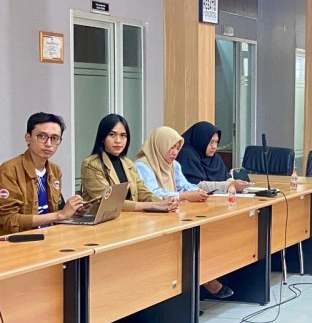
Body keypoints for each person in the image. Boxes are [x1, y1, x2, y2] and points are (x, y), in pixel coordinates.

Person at [135, 126, 233, 299]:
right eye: (171, 147)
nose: (175, 152)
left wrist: (198, 192)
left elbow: (185, 186)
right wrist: (184, 196)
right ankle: (199, 285)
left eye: (177, 148)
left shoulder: (174, 165)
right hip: (151, 219)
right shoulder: (142, 166)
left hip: (172, 214)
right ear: (159, 145)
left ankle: (201, 281)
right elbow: (153, 194)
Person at [0, 112, 85, 235]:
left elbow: (57, 211)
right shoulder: (9, 170)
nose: (48, 144)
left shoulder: (55, 170)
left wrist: (72, 212)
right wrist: (60, 215)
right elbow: (8, 219)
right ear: (28, 137)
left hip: (50, 236)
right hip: (20, 240)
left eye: (54, 138)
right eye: (42, 136)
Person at [81, 114, 178, 213]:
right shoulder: (91, 165)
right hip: (101, 221)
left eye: (123, 135)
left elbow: (143, 192)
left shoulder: (128, 164)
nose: (118, 140)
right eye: (112, 135)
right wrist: (153, 205)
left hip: (129, 218)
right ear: (102, 138)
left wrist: (164, 202)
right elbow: (110, 202)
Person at [176, 122, 251, 193]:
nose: (214, 146)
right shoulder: (187, 155)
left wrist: (237, 183)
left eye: (216, 142)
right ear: (201, 140)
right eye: (211, 142)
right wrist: (229, 185)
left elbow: (226, 178)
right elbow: (195, 186)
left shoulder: (215, 158)